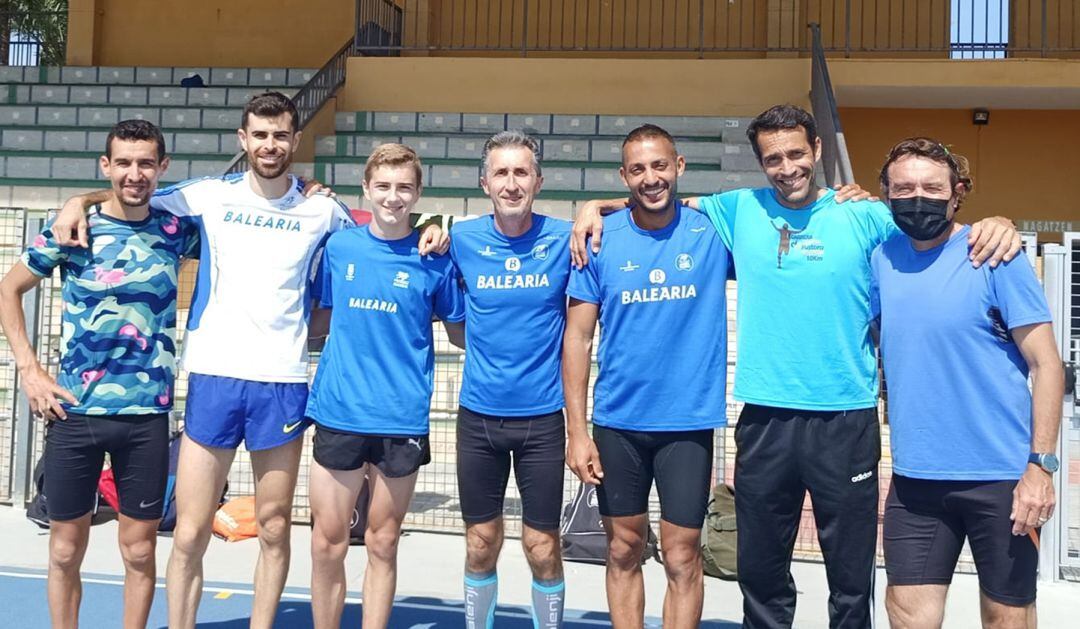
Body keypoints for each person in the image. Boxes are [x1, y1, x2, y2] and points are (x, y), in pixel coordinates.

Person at [570, 105, 1021, 629]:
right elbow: (657, 197)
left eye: (795, 154)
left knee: (850, 581)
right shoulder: (738, 208)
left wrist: (998, 223)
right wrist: (592, 206)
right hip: (765, 420)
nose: (786, 168)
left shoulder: (864, 215)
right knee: (762, 577)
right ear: (761, 163)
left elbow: (937, 233)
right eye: (773, 159)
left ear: (817, 150)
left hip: (845, 419)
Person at [48, 92, 442, 628]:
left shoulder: (322, 209)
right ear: (243, 138)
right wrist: (80, 200)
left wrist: (434, 225)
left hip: (282, 380)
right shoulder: (208, 195)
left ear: (295, 140)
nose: (269, 144)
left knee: (274, 527)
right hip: (214, 376)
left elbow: (387, 226)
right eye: (259, 134)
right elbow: (135, 192)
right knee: (190, 531)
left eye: (280, 135)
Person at [0, 120, 198, 629]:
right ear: (105, 165)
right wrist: (30, 370)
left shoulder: (178, 231)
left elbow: (242, 211)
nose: (135, 173)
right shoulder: (73, 231)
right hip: (75, 413)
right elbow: (7, 289)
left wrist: (306, 189)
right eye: (123, 163)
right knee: (65, 550)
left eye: (146, 163)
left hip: (146, 418)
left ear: (163, 167)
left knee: (139, 550)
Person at [871, 138, 1063, 629]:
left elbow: (1046, 364)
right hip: (915, 481)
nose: (918, 198)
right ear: (886, 193)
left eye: (932, 188)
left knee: (1006, 616)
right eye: (904, 188)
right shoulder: (881, 259)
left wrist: (1040, 466)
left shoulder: (995, 255)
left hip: (1001, 480)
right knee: (906, 613)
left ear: (957, 193)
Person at [563, 124, 731, 629]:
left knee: (682, 554)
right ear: (624, 176)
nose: (650, 178)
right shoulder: (598, 239)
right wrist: (577, 433)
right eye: (638, 169)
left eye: (660, 165)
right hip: (619, 424)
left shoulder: (713, 231)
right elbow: (578, 339)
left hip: (687, 423)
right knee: (623, 547)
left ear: (679, 166)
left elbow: (778, 210)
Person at [306, 143, 465, 629]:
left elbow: (461, 333)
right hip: (340, 411)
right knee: (327, 543)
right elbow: (319, 318)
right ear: (366, 189)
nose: (393, 197)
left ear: (418, 192)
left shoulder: (435, 259)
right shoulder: (341, 248)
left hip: (401, 417)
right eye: (383, 186)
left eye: (403, 187)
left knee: (383, 541)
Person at [447, 131, 572, 629]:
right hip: (478, 419)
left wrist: (594, 208)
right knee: (480, 543)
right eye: (501, 173)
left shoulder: (565, 237)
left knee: (542, 546)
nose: (511, 183)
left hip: (542, 420)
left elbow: (624, 217)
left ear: (539, 182)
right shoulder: (460, 239)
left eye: (522, 172)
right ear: (485, 183)